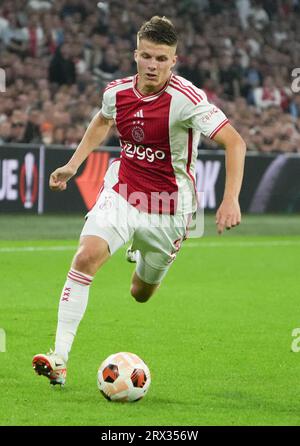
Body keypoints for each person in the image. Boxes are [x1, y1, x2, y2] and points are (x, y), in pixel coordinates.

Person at [32, 16, 246, 386]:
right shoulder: (116, 92)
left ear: (173, 61)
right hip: (124, 192)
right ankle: (60, 359)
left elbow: (235, 142)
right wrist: (72, 165)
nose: (152, 65)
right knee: (85, 257)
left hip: (170, 209)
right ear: (136, 55)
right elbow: (102, 120)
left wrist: (230, 200)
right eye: (146, 56)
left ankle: (139, 252)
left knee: (140, 293)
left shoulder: (188, 100)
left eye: (161, 59)